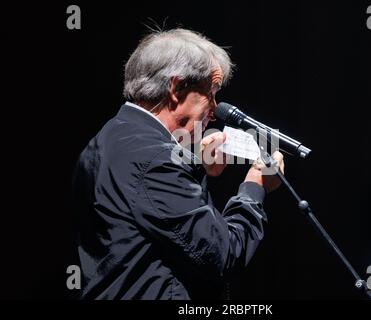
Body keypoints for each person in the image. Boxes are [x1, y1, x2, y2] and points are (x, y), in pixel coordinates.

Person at [72, 28, 285, 300]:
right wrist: (255, 187)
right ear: (175, 89)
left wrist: (196, 166)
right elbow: (222, 255)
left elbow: (156, 231)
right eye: (211, 93)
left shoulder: (109, 139)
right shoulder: (155, 160)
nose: (215, 109)